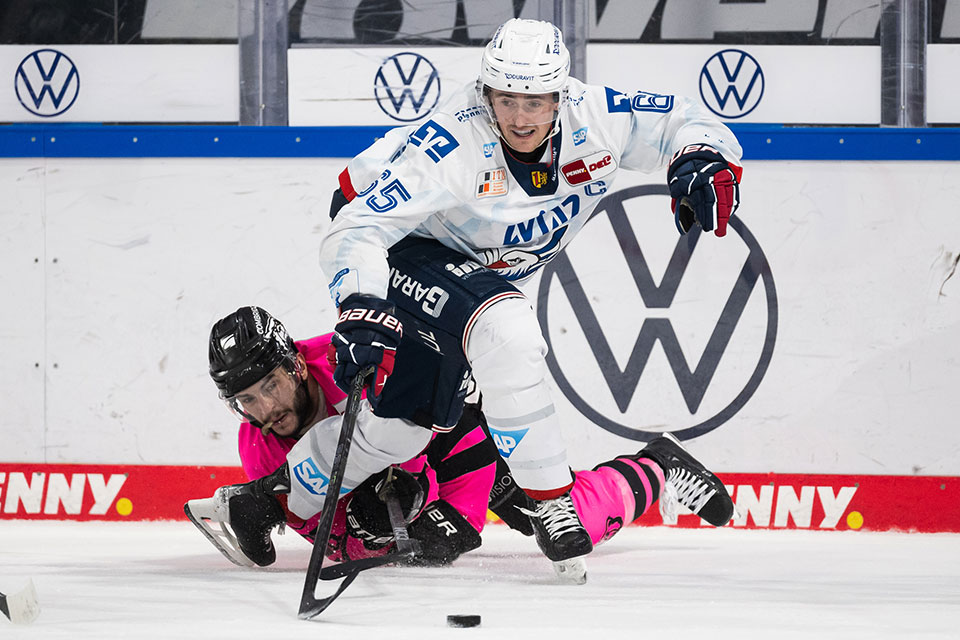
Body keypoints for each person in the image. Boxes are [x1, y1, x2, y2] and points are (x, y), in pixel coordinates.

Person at [312, 17, 741, 574]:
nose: (519, 117)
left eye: (536, 102)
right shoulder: (451, 142)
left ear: (562, 96)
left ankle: (655, 467)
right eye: (506, 98)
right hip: (416, 264)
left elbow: (689, 120)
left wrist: (702, 158)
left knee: (550, 510)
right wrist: (361, 307)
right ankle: (274, 498)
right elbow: (355, 226)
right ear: (485, 91)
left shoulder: (598, 118)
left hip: (481, 309)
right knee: (476, 362)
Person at [189, 307, 735, 583]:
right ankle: (655, 466)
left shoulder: (348, 359)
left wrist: (431, 494)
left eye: (270, 387)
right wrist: (367, 532)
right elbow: (326, 537)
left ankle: (659, 466)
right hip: (406, 481)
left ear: (294, 366)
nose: (266, 410)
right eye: (246, 400)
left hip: (451, 436)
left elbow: (437, 402)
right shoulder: (260, 449)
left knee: (555, 519)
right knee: (424, 546)